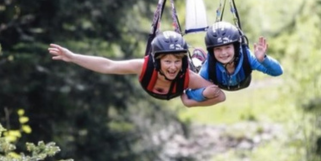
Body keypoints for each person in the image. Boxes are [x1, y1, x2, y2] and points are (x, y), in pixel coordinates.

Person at [48, 31, 225, 107]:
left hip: (181, 89)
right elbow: (109, 65)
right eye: (168, 61)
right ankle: (198, 59)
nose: (173, 67)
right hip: (153, 86)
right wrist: (72, 57)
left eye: (177, 61)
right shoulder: (144, 67)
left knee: (206, 86)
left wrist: (190, 103)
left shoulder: (188, 77)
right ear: (157, 61)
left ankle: (198, 60)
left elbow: (221, 97)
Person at [185, 22, 282, 98]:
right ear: (212, 52)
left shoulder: (247, 58)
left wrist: (263, 60)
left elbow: (278, 71)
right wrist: (204, 93)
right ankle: (198, 59)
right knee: (197, 71)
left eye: (227, 47)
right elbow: (190, 92)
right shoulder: (210, 65)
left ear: (235, 48)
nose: (223, 52)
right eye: (218, 49)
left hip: (243, 82)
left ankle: (199, 58)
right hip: (217, 81)